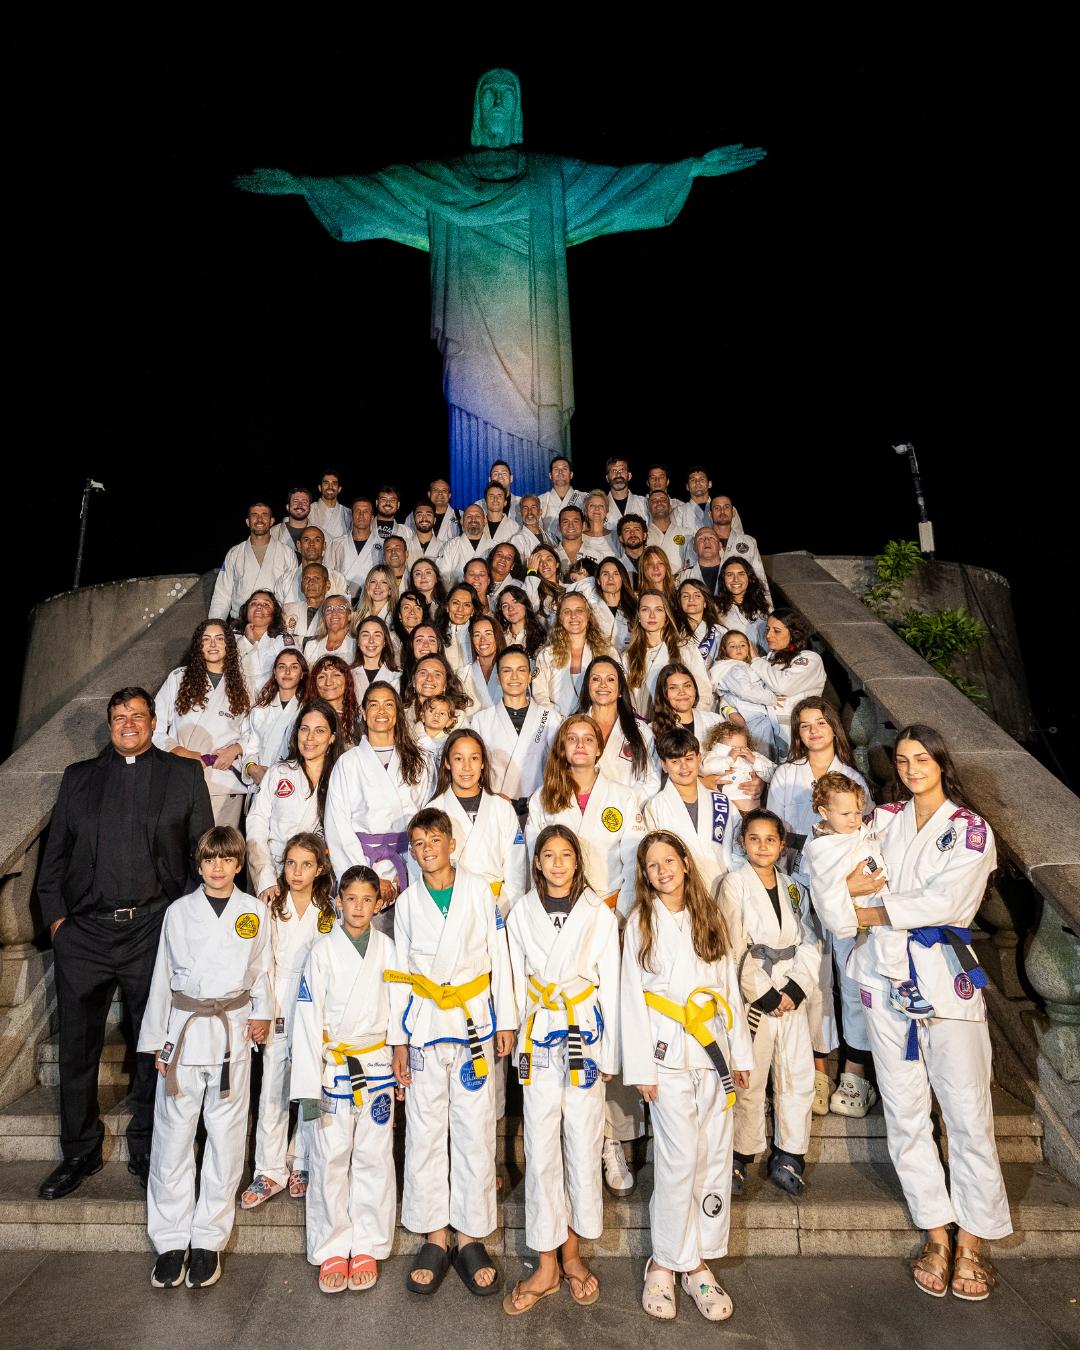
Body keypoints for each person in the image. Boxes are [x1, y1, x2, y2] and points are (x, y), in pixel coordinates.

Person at [844, 726, 1009, 1301]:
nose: (913, 767)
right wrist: (862, 904)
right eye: (905, 759)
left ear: (942, 762)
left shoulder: (969, 828)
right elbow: (847, 878)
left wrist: (876, 909)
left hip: (947, 978)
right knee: (906, 1113)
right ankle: (937, 1232)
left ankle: (974, 1240)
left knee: (966, 1111)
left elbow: (950, 900)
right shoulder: (883, 818)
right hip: (886, 980)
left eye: (923, 758)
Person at [36, 687, 213, 1201]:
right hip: (85, 934)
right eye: (119, 717)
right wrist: (58, 927)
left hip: (151, 929)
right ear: (110, 725)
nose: (129, 723)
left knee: (151, 1046)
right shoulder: (79, 778)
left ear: (154, 721)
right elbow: (53, 862)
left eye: (138, 715)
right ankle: (80, 1151)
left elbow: (204, 855)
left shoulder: (183, 776)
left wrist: (191, 930)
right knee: (76, 1047)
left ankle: (147, 1146)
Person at [621, 831, 752, 1323]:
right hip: (665, 1052)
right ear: (645, 874)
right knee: (677, 1159)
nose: (662, 871)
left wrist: (739, 1053)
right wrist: (640, 1067)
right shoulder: (641, 922)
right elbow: (630, 995)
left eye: (668, 860)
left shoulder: (708, 916)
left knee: (712, 1156)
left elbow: (728, 989)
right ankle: (665, 1261)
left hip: (713, 1050)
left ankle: (697, 1260)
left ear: (685, 863)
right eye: (652, 865)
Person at [388, 809, 517, 1297]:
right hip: (423, 1026)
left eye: (434, 840)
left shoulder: (482, 893)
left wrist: (505, 1018)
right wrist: (396, 1040)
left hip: (473, 1024)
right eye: (417, 843)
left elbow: (499, 958)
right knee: (423, 1131)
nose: (426, 850)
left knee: (475, 1129)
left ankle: (470, 1233)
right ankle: (434, 1233)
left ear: (451, 843)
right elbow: (398, 972)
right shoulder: (405, 903)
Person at [140, 826, 272, 1291]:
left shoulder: (254, 912)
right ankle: (171, 1238)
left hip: (230, 1036)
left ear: (239, 864)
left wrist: (264, 1014)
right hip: (185, 1032)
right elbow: (161, 977)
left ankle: (208, 1239)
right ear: (199, 865)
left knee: (226, 1140)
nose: (218, 867)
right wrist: (157, 1039)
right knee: (173, 1140)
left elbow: (261, 971)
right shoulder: (179, 912)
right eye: (210, 860)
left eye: (227, 859)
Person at [503, 825, 619, 1315]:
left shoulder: (598, 913)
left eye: (565, 855)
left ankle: (573, 1253)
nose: (555, 863)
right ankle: (546, 1260)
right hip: (539, 1035)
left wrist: (611, 1052)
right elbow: (510, 975)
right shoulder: (521, 913)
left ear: (577, 861)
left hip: (585, 1038)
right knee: (542, 1147)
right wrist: (510, 1032)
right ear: (536, 863)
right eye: (547, 855)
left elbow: (611, 981)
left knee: (584, 1140)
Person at [291, 865, 399, 1294]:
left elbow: (399, 1007)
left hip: (376, 1064)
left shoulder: (389, 949)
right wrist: (307, 1090)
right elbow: (305, 1021)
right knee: (331, 1158)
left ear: (378, 903)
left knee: (374, 1156)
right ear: (336, 902)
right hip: (331, 1069)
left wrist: (400, 1061)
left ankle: (368, 1242)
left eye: (366, 899)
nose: (357, 907)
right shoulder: (320, 952)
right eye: (350, 898)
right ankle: (333, 1245)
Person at [770, 698, 874, 1116]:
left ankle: (855, 1071)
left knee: (852, 979)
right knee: (812, 979)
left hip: (850, 890)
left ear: (834, 727)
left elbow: (863, 838)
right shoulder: (785, 775)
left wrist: (848, 885)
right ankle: (817, 1070)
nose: (813, 731)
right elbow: (777, 835)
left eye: (820, 723)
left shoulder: (851, 778)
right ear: (797, 732)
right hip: (801, 879)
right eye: (805, 725)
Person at [720, 809, 816, 1199]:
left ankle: (790, 1153)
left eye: (770, 839)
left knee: (797, 1074)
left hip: (792, 992)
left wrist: (796, 989)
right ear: (743, 842)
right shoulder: (732, 885)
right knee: (750, 1075)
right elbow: (731, 944)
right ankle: (741, 1153)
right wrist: (765, 993)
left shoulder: (794, 887)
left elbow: (811, 940)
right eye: (754, 838)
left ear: (781, 844)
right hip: (756, 995)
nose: (763, 846)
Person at [241, 832, 337, 1212]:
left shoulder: (330, 909)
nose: (297, 872)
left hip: (315, 1004)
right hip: (279, 1001)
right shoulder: (269, 906)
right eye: (291, 864)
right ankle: (269, 1168)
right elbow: (260, 962)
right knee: (274, 1088)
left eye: (306, 865)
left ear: (320, 868)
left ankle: (304, 1160)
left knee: (311, 1084)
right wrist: (261, 1009)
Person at [804, 772, 932, 1019]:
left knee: (894, 927)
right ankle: (899, 983)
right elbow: (825, 887)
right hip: (863, 901)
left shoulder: (856, 830)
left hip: (878, 888)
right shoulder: (823, 847)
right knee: (889, 927)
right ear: (823, 812)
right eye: (845, 814)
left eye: (857, 812)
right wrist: (848, 893)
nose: (854, 820)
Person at [325, 682, 435, 920]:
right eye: (374, 705)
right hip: (363, 864)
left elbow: (429, 819)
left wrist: (411, 872)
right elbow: (338, 828)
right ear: (363, 712)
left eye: (388, 704)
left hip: (411, 862)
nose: (381, 711)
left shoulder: (420, 761)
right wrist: (365, 878)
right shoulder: (348, 763)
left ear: (397, 711)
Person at [153, 620, 251, 826]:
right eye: (206, 639)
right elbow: (154, 726)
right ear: (198, 646)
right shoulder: (179, 678)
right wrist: (177, 750)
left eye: (219, 639)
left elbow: (255, 732)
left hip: (224, 784)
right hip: (180, 775)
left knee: (220, 853)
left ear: (229, 645)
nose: (213, 644)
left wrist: (236, 748)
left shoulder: (245, 684)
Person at [246, 701, 342, 900]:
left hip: (320, 880)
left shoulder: (341, 777)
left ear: (332, 737)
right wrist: (266, 879)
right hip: (275, 877)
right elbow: (257, 824)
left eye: (320, 731)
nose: (309, 738)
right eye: (304, 729)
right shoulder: (279, 773)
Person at [429, 728, 528, 913]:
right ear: (447, 763)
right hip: (449, 907)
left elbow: (516, 871)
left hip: (496, 905)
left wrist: (504, 911)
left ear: (483, 763)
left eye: (474, 758)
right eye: (458, 759)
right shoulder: (433, 811)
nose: (467, 767)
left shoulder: (502, 808)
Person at [470, 647, 561, 827]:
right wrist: (490, 796)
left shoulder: (550, 718)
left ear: (530, 676)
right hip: (497, 810)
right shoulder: (481, 720)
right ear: (498, 677)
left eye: (521, 670)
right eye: (507, 670)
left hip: (541, 809)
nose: (514, 677)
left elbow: (560, 768)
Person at [645, 727, 742, 893]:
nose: (684, 767)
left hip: (726, 887)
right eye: (675, 761)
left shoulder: (722, 802)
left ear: (699, 758)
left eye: (689, 759)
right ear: (664, 765)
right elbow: (653, 857)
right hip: (682, 892)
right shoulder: (655, 807)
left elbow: (739, 844)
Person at [575, 655, 660, 803]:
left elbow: (651, 780)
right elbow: (560, 773)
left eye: (610, 679)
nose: (603, 685)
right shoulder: (571, 726)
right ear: (587, 686)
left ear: (620, 689)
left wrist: (623, 804)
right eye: (595, 679)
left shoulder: (641, 731)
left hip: (627, 813)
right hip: (581, 812)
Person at [625, 590, 712, 720]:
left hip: (678, 728)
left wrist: (686, 724)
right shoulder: (628, 656)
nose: (652, 615)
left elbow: (704, 692)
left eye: (659, 610)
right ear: (638, 615)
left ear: (666, 615)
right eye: (645, 609)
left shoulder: (685, 649)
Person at [753, 611, 826, 756]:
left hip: (794, 731)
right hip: (763, 727)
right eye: (768, 629)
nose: (768, 635)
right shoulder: (768, 659)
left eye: (777, 631)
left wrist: (755, 661)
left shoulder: (810, 659)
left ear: (794, 633)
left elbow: (784, 685)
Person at [531, 590, 615, 715]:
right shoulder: (547, 655)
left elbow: (616, 689)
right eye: (567, 611)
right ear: (560, 618)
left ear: (588, 615)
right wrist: (559, 721)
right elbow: (540, 695)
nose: (573, 616)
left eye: (579, 610)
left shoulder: (608, 651)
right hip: (557, 725)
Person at [209, 501, 295, 622]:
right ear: (248, 522)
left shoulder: (287, 553)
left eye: (264, 514)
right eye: (254, 515)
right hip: (240, 622)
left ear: (271, 521)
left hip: (273, 623)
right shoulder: (235, 553)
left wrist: (288, 624)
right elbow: (222, 594)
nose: (259, 519)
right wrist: (215, 624)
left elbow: (291, 595)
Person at [240, 647, 309, 789]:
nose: (287, 672)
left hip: (294, 786)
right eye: (282, 667)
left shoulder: (309, 711)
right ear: (274, 672)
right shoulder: (260, 710)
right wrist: (252, 768)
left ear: (302, 674)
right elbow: (251, 749)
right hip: (260, 786)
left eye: (294, 667)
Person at [710, 630, 780, 749]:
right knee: (761, 754)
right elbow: (745, 691)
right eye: (732, 646)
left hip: (753, 715)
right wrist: (772, 698)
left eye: (743, 645)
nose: (738, 648)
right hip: (751, 716)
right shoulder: (734, 668)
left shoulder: (742, 666)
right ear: (724, 650)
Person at [700, 720, 774, 815]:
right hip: (725, 810)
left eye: (743, 747)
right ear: (718, 746)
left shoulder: (753, 756)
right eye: (733, 748)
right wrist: (729, 759)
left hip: (753, 811)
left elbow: (775, 774)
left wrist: (755, 761)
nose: (738, 752)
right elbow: (706, 768)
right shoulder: (714, 756)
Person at [708, 494, 770, 601]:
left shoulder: (749, 541)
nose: (722, 511)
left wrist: (768, 608)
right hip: (712, 603)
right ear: (710, 514)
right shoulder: (701, 542)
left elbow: (760, 577)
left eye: (727, 507)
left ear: (733, 513)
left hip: (744, 602)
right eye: (717, 508)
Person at [234, 590, 293, 700]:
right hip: (236, 699)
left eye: (266, 604)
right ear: (247, 610)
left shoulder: (283, 638)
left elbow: (294, 669)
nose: (259, 607)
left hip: (273, 699)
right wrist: (246, 641)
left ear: (275, 613)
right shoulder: (231, 637)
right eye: (254, 603)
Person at [651, 660, 724, 747]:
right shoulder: (652, 730)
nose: (682, 692)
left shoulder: (715, 721)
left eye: (687, 686)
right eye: (673, 688)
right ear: (663, 693)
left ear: (695, 689)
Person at [275, 526, 350, 606]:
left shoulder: (338, 579)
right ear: (299, 545)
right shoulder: (284, 581)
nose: (311, 544)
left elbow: (345, 611)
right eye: (306, 540)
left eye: (317, 540)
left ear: (324, 545)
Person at [579, 556, 637, 653]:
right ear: (598, 580)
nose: (610, 578)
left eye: (616, 573)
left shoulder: (636, 608)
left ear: (622, 579)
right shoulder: (589, 610)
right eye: (605, 574)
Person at [715, 556, 770, 654]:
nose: (736, 579)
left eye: (741, 574)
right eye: (730, 574)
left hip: (765, 664)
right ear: (723, 579)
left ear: (749, 577)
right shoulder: (715, 608)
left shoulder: (764, 606)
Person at [307, 654, 361, 747]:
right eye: (322, 677)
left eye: (336, 675)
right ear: (314, 683)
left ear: (347, 680)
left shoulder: (360, 718)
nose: (328, 682)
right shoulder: (306, 717)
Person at [340, 497, 385, 598]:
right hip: (342, 599)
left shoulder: (382, 545)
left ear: (372, 517)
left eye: (366, 511)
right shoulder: (336, 544)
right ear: (352, 516)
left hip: (372, 598)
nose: (361, 515)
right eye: (357, 511)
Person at [677, 577, 726, 669]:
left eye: (697, 596)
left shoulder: (720, 632)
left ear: (705, 603)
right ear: (679, 602)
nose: (691, 599)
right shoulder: (673, 632)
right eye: (685, 596)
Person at [351, 616, 401, 702]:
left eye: (377, 635)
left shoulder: (398, 676)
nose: (371, 641)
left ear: (384, 641)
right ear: (358, 641)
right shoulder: (348, 675)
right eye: (365, 635)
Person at [438, 503, 491, 584]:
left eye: (478, 516)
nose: (473, 519)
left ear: (485, 521)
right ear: (461, 521)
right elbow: (442, 578)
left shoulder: (494, 547)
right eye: (469, 516)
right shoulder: (450, 546)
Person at [462, 613, 505, 710]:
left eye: (488, 633)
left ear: (497, 637)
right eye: (477, 635)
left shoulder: (511, 669)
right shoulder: (463, 674)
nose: (482, 640)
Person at [283, 562, 332, 646]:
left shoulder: (334, 611)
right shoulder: (288, 609)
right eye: (306, 578)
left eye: (317, 578)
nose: (310, 582)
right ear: (302, 586)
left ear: (327, 584)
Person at [644, 490, 689, 574]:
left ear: (670, 507)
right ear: (649, 508)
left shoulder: (686, 532)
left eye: (663, 500)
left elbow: (690, 562)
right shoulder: (643, 535)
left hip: (680, 581)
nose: (659, 502)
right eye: (654, 501)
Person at [538, 455, 585, 536]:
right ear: (550, 476)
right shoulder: (540, 500)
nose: (560, 472)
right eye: (556, 469)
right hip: (550, 547)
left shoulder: (584, 498)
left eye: (564, 469)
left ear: (571, 475)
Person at [496, 583, 547, 659]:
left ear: (525, 604)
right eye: (505, 606)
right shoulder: (498, 637)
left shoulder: (542, 636)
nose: (510, 608)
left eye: (515, 602)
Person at [303, 594, 356, 665]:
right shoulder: (311, 647)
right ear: (323, 617)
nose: (334, 613)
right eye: (328, 609)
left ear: (349, 615)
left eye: (340, 609)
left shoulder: (356, 645)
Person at [603, 457, 648, 531]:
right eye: (613, 471)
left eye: (622, 470)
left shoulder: (644, 503)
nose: (618, 475)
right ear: (607, 478)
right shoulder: (600, 506)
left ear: (629, 476)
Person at [270, 486, 316, 554]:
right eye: (295, 501)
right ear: (288, 507)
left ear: (310, 508)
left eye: (304, 502)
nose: (300, 505)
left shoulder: (321, 534)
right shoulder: (272, 533)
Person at [310, 470, 351, 540]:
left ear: (339, 489)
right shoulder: (310, 510)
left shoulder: (348, 513)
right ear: (320, 488)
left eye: (334, 484)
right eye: (326, 483)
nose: (330, 487)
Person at [614, 514, 648, 581]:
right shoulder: (616, 566)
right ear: (621, 538)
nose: (632, 533)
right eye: (627, 530)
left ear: (644, 535)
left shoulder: (657, 561)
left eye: (637, 529)